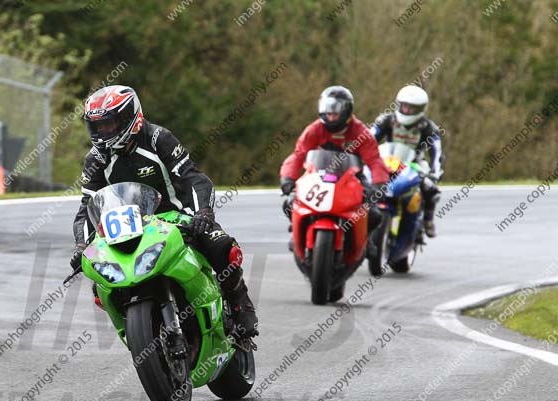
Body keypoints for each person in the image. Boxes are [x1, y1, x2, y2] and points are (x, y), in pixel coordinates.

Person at [70, 85, 258, 340]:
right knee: (100, 281)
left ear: (129, 118)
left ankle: (239, 302)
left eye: (110, 124)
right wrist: (82, 245)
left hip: (175, 216)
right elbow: (88, 205)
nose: (103, 132)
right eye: (98, 126)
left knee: (221, 245)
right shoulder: (96, 159)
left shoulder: (159, 139)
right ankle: (137, 326)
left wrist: (202, 212)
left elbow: (193, 178)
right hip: (127, 226)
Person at [278, 86, 390, 247]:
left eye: (335, 112)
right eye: (327, 111)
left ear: (347, 110)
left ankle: (366, 241)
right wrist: (288, 178)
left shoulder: (361, 132)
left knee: (374, 214)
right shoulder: (314, 129)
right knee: (290, 204)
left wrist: (378, 184)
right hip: (317, 173)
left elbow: (375, 160)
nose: (331, 116)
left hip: (353, 176)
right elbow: (298, 155)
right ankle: (297, 232)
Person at [372, 85, 444, 237]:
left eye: (412, 108)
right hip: (388, 159)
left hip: (414, 163)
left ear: (420, 109)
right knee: (365, 182)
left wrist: (434, 174)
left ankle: (427, 219)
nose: (407, 111)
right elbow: (368, 140)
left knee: (430, 188)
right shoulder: (386, 120)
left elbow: (436, 153)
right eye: (404, 106)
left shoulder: (428, 128)